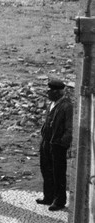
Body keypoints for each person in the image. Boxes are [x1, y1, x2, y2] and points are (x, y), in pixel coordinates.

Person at [37, 78, 73, 211]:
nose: (48, 93)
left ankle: (59, 200)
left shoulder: (66, 106)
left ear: (58, 92)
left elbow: (69, 128)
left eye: (51, 90)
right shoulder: (51, 104)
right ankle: (49, 196)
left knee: (58, 172)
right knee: (46, 169)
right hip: (46, 141)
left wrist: (63, 143)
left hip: (57, 144)